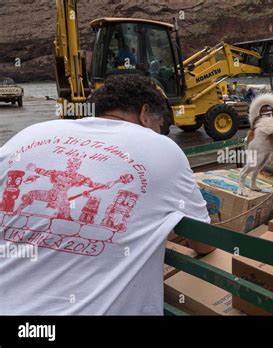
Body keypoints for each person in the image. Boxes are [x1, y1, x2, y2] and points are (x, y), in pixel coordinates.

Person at [0, 75, 214, 314]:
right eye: (159, 124)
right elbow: (204, 243)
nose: (160, 131)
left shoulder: (29, 135)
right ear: (145, 114)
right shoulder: (162, 148)